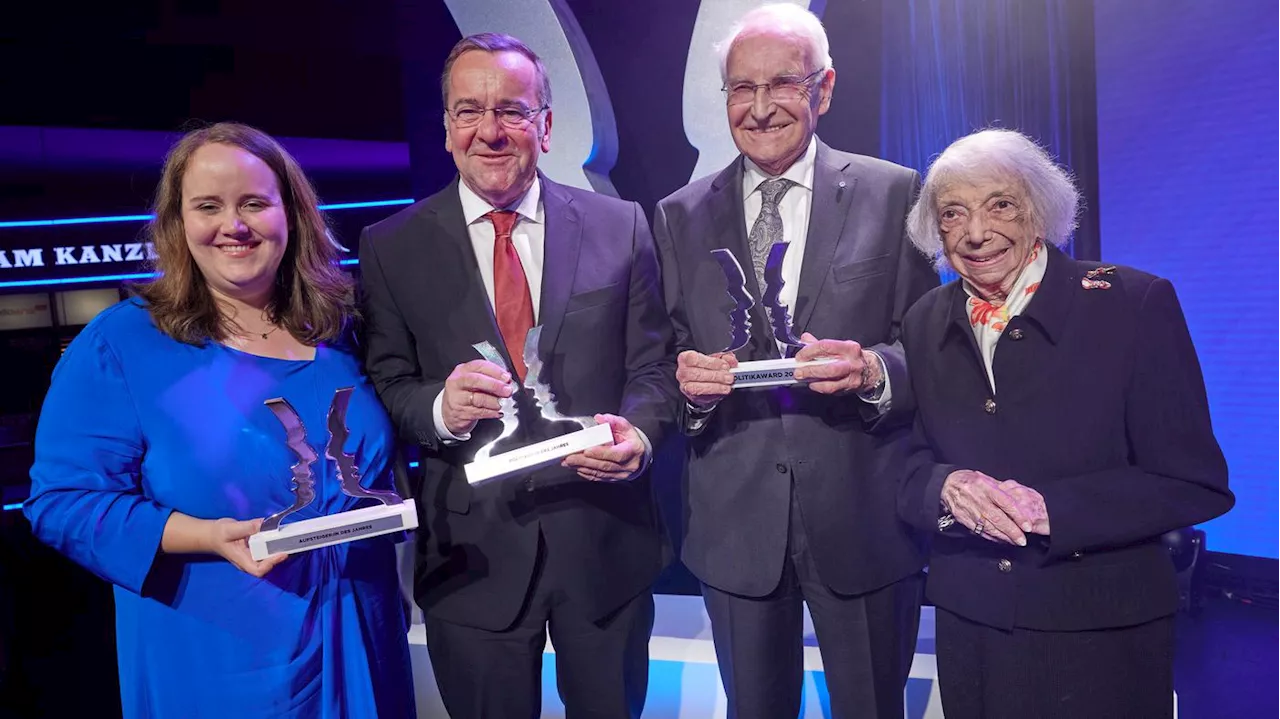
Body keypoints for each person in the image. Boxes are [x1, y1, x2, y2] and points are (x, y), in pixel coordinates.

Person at [23, 122, 415, 718]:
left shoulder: (342, 328)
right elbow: (63, 502)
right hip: (221, 657)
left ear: (292, 214)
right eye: (208, 206)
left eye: (254, 203)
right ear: (178, 224)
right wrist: (207, 535)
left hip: (361, 636)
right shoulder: (124, 343)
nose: (234, 225)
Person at [358, 33, 678, 718]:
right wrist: (440, 407)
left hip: (604, 543)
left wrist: (641, 439)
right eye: (468, 111)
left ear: (547, 125)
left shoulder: (619, 225)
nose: (490, 131)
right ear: (445, 129)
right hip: (472, 557)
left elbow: (653, 369)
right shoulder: (391, 247)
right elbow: (385, 383)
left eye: (512, 110)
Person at [652, 5, 939, 717]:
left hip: (866, 514)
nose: (758, 107)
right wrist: (688, 386)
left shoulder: (895, 191)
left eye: (781, 83)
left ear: (824, 88)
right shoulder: (678, 214)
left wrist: (874, 370)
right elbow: (660, 358)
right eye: (739, 89)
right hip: (735, 522)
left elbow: (932, 346)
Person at [897, 128, 1234, 718]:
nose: (977, 234)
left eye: (999, 205)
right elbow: (907, 460)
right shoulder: (925, 319)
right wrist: (942, 488)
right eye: (954, 214)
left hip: (1099, 627)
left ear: (1039, 210)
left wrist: (1056, 511)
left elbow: (1195, 481)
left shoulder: (1132, 303)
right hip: (971, 625)